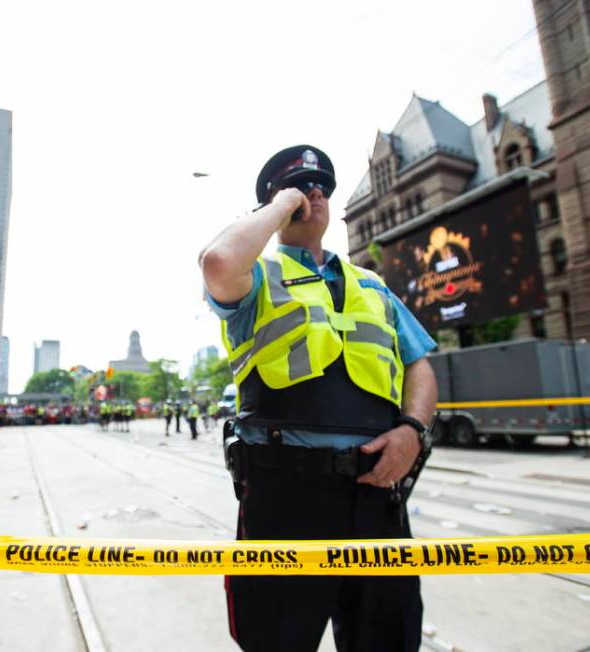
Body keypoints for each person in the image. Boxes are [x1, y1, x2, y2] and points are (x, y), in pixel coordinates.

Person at [200, 145, 437, 652]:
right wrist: (283, 204)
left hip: (378, 492)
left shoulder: (372, 286)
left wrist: (413, 432)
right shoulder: (258, 277)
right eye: (303, 187)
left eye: (322, 187)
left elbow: (419, 364)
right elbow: (218, 260)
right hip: (285, 495)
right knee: (277, 641)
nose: (316, 194)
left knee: (389, 641)